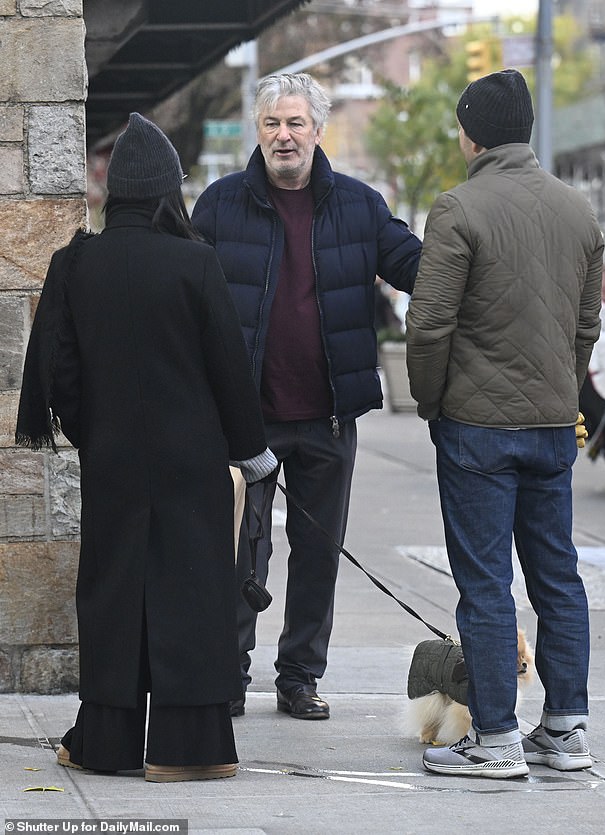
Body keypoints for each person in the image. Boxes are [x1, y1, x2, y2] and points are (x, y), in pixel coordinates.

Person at [15, 113, 277, 782]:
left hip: (113, 459)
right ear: (167, 192)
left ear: (115, 193)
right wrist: (252, 449)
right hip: (192, 461)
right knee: (190, 591)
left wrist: (93, 428)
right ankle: (191, 748)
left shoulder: (74, 263)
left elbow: (58, 372)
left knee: (114, 593)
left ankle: (107, 740)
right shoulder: (196, 262)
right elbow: (229, 369)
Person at [192, 72, 421, 719]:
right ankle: (228, 673)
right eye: (272, 124)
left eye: (295, 123)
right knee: (241, 552)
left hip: (327, 416)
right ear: (257, 132)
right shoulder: (217, 207)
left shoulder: (360, 207)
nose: (284, 136)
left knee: (318, 554)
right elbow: (181, 292)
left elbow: (423, 268)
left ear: (319, 132)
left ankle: (299, 676)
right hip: (245, 421)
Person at [406, 69, 604, 778]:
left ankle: (494, 738)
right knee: (558, 577)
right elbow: (587, 328)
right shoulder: (579, 212)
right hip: (552, 425)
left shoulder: (458, 208)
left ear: (471, 133)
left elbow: (428, 326)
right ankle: (566, 729)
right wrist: (565, 396)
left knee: (486, 582)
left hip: (477, 428)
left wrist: (433, 401)